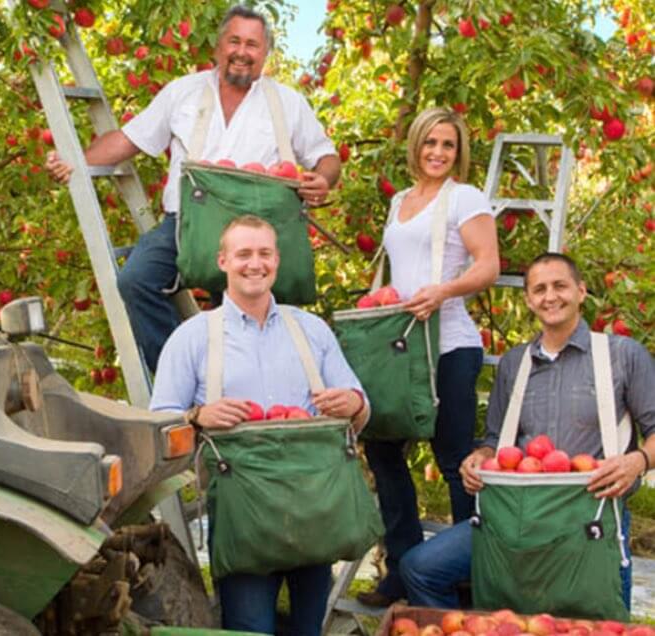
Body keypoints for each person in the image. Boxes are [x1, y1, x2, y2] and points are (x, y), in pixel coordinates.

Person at [47, 4, 341, 373]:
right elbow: (128, 141)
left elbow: (326, 157)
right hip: (188, 227)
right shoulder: (183, 92)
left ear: (265, 54)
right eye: (234, 41)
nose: (242, 52)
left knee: (254, 320)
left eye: (252, 45)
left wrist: (323, 179)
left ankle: (249, 395)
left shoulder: (287, 103)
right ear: (218, 47)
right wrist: (75, 160)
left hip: (257, 233)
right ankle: (181, 375)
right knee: (137, 280)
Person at [150, 215, 368, 635]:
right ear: (223, 261)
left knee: (309, 627)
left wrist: (353, 402)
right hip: (243, 514)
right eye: (244, 254)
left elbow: (360, 408)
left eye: (264, 253)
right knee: (250, 627)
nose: (255, 264)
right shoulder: (194, 337)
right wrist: (197, 416)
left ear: (277, 260)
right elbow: (160, 424)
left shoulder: (310, 330)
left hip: (313, 507)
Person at [400, 252, 655, 610]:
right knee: (420, 568)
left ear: (581, 291)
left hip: (588, 519)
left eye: (560, 286)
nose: (550, 296)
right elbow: (495, 441)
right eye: (539, 289)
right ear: (529, 300)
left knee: (598, 619)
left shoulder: (622, 354)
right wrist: (479, 459)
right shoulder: (514, 363)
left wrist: (637, 461)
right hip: (515, 518)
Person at [357, 107, 500, 607]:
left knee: (456, 457)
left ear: (458, 153)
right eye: (430, 143)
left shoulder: (464, 197)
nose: (438, 152)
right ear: (416, 145)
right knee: (383, 450)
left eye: (448, 145)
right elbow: (401, 269)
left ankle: (464, 573)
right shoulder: (399, 201)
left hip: (448, 346)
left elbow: (488, 265)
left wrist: (443, 291)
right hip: (400, 349)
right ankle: (401, 566)